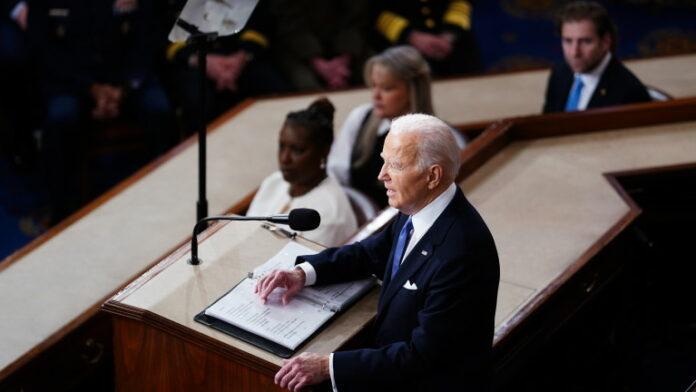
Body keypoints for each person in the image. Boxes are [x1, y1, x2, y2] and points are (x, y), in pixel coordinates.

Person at [255, 113, 500, 391]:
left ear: (433, 176)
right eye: (384, 160)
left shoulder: (462, 252)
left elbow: (421, 356)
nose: (381, 175)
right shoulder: (418, 208)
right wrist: (303, 272)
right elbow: (369, 254)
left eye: (394, 165)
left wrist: (328, 367)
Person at [28, 0, 175, 223]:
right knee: (61, 116)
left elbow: (148, 38)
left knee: (159, 108)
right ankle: (62, 212)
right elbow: (43, 49)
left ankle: (165, 198)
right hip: (71, 81)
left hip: (126, 78)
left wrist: (123, 88)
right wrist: (90, 88)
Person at [327, 45, 466, 209]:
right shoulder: (360, 117)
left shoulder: (444, 139)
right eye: (374, 86)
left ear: (412, 90)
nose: (376, 96)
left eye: (387, 88)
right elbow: (335, 174)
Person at [247, 98, 358, 247]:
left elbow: (296, 267)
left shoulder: (330, 212)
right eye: (282, 146)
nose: (285, 158)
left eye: (297, 150)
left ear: (324, 151)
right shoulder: (273, 182)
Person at [167, 0, 288, 134]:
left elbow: (260, 18)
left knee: (275, 88)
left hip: (240, 54)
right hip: (194, 60)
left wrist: (242, 56)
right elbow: (163, 29)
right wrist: (199, 60)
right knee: (198, 102)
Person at [542, 1, 651, 113]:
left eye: (585, 42)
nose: (574, 53)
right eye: (568, 41)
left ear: (605, 42)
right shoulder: (560, 72)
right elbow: (546, 123)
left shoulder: (630, 93)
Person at [272, 0, 370, 91]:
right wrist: (319, 64)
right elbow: (290, 25)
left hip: (350, 48)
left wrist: (344, 59)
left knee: (375, 71)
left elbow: (356, 17)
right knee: (307, 84)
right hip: (298, 51)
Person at [373, 0, 481, 77]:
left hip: (456, 48)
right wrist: (411, 36)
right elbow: (374, 12)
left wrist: (449, 35)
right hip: (404, 55)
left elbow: (463, 2)